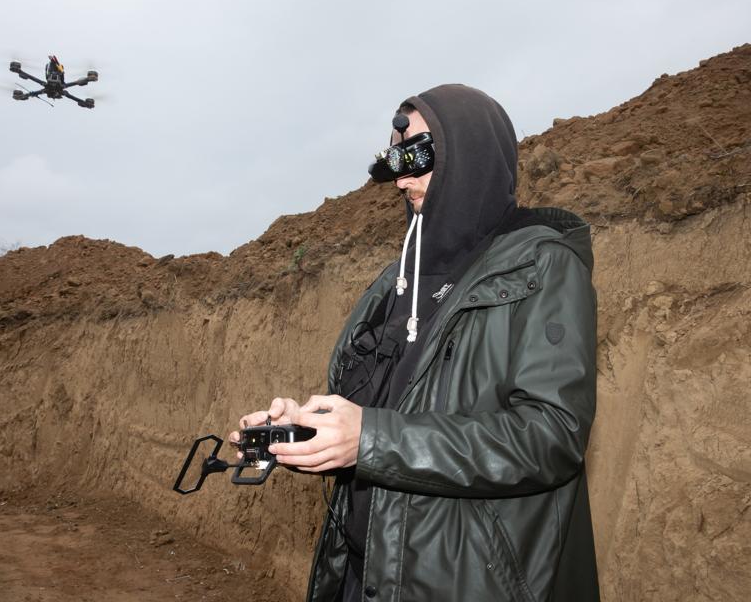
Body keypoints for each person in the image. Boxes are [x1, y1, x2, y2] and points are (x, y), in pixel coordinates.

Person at [232, 84, 599, 601]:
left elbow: (551, 436)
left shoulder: (542, 266)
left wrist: (371, 439)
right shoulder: (397, 279)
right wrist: (309, 427)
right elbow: (380, 411)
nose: (403, 178)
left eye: (420, 155)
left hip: (467, 581)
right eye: (397, 161)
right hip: (369, 570)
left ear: (469, 154)